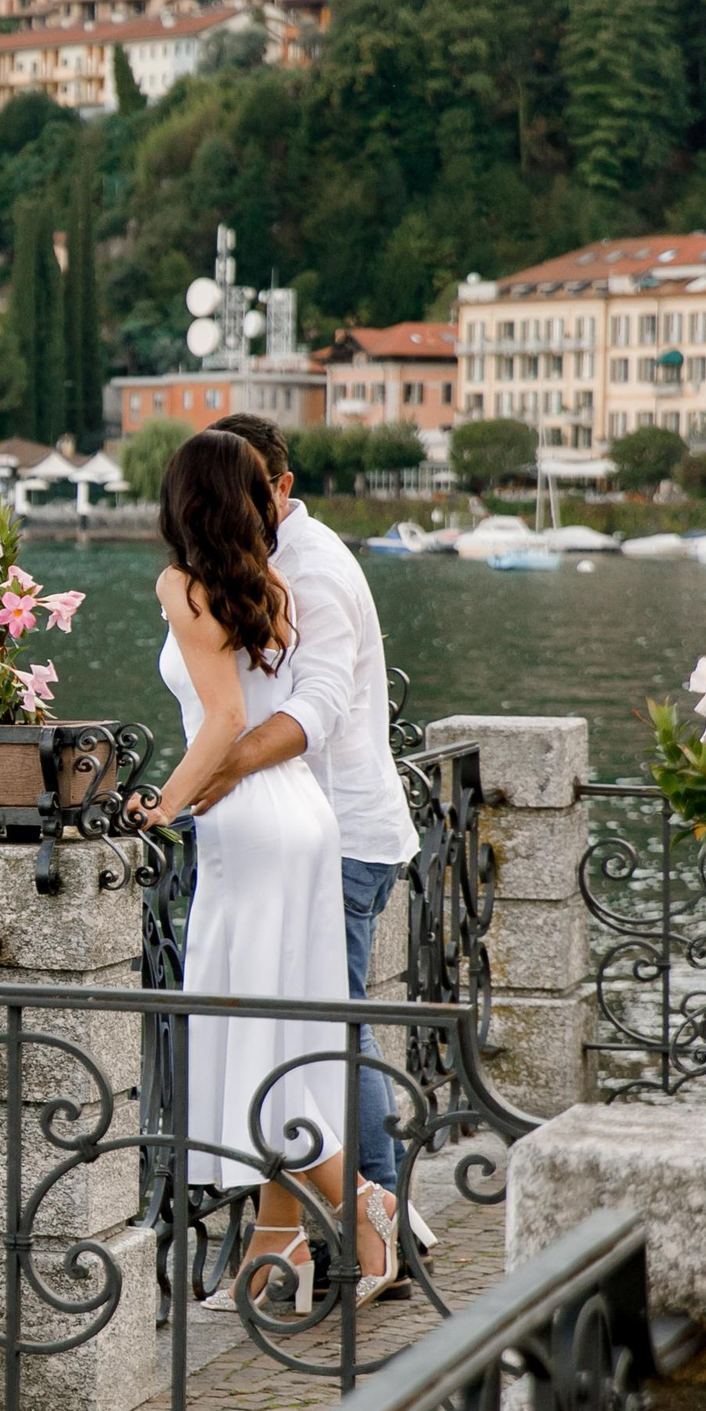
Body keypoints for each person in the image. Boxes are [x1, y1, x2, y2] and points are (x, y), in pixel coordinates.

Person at [140, 430, 398, 1312]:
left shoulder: (185, 586)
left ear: (181, 501)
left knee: (254, 1048)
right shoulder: (271, 585)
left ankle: (366, 1206)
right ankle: (276, 1243)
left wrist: (165, 803)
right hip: (302, 815)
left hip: (248, 822)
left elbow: (219, 720)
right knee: (289, 1040)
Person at [194, 412, 424, 1224]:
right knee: (312, 1031)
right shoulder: (257, 563)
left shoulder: (314, 567)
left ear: (281, 487)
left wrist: (215, 773)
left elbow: (317, 708)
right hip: (295, 832)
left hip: (340, 832)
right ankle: (319, 1231)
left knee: (332, 1032)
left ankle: (381, 1220)